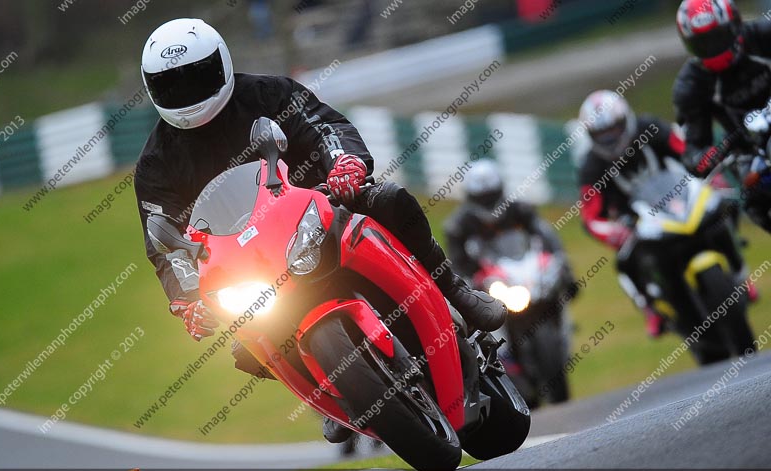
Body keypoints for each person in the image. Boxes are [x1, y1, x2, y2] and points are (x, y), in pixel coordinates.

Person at [134, 19, 506, 443]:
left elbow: (326, 127)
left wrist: (345, 163)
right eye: (171, 86)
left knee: (390, 199)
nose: (187, 95)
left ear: (221, 63)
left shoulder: (269, 93)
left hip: (320, 206)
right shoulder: (156, 163)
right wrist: (186, 300)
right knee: (245, 347)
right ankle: (333, 387)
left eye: (196, 78)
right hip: (251, 263)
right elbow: (164, 241)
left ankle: (455, 290)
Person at [576, 90, 687, 337]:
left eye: (613, 129)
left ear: (625, 120)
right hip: (636, 222)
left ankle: (741, 275)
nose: (609, 138)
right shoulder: (590, 167)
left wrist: (704, 166)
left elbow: (686, 150)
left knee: (719, 207)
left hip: (678, 197)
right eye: (601, 134)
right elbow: (590, 217)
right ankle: (650, 309)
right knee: (625, 260)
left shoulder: (651, 127)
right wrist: (614, 232)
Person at [673, 0, 771, 232]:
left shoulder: (762, 35)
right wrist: (714, 154)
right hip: (751, 151)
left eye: (717, 38)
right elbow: (694, 152)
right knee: (754, 201)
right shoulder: (691, 86)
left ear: (734, 25)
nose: (713, 48)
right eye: (703, 44)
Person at [443, 159, 576, 296]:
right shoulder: (458, 225)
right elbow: (456, 262)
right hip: (490, 281)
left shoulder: (520, 209)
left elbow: (545, 233)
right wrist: (467, 285)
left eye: (491, 196)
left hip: (526, 270)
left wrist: (562, 263)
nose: (487, 202)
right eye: (482, 198)